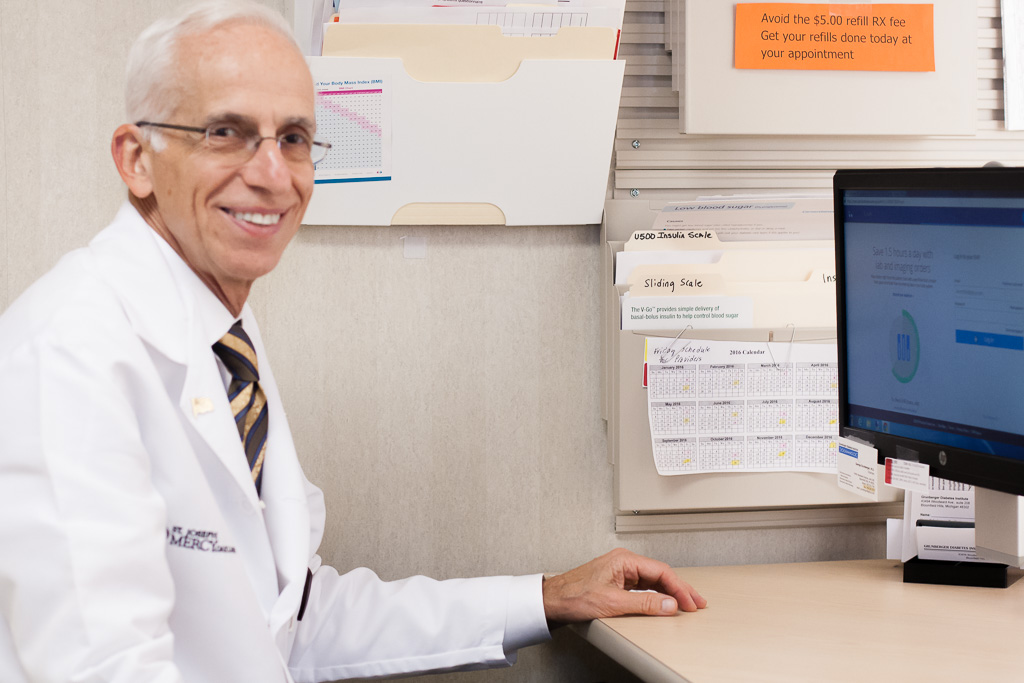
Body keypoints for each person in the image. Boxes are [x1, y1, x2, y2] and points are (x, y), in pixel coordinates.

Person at [0, 2, 705, 682]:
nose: (273, 174)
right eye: (225, 131)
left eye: (294, 138)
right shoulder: (68, 353)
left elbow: (291, 618)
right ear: (136, 158)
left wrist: (545, 596)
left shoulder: (222, 340)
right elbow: (99, 667)